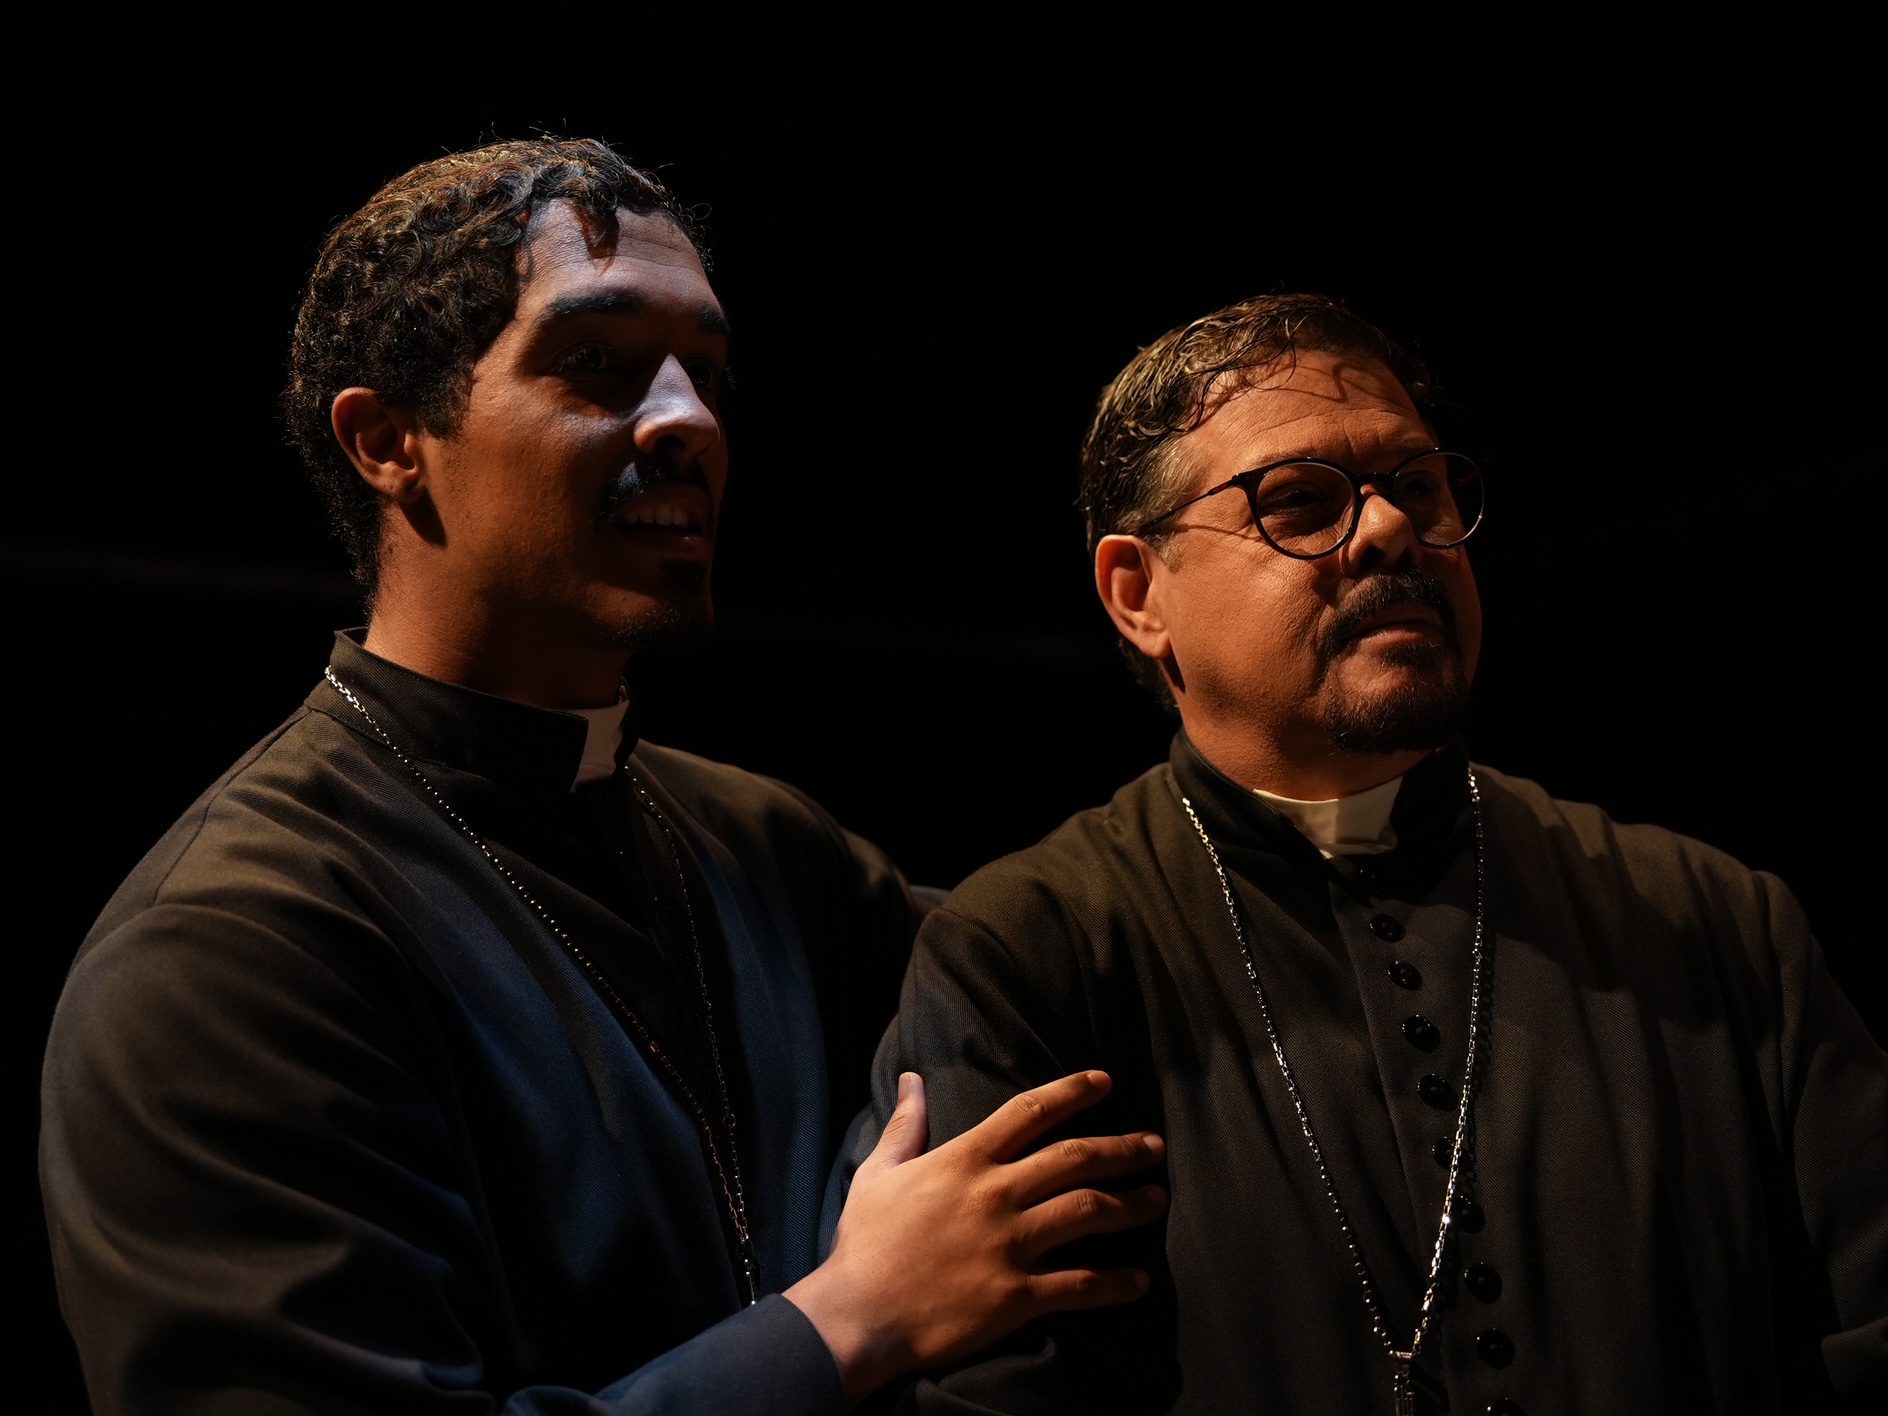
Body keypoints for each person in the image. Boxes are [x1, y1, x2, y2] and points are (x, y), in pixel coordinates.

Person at [37, 136, 1169, 1415]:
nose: (690, 419)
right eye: (594, 362)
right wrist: (847, 1322)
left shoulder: (762, 845)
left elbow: (1082, 965)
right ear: (389, 440)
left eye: (708, 372)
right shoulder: (230, 948)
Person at [843, 293, 1888, 1413]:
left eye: (1419, 487)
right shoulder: (1026, 957)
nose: (1391, 530)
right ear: (1138, 594)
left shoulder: (1715, 923)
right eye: (1300, 501)